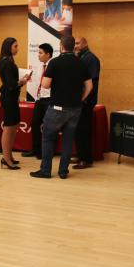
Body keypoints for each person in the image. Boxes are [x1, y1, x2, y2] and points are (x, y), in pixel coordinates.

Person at [30, 36, 92, 179]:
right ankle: (63, 171)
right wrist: (81, 99)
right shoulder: (81, 63)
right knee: (68, 140)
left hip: (57, 108)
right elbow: (89, 86)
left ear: (61, 46)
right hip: (76, 109)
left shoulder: (55, 63)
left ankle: (45, 170)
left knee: (47, 137)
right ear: (73, 47)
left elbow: (45, 84)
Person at [0, 37, 31, 170]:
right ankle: (6, 159)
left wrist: (21, 81)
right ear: (8, 47)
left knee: (14, 126)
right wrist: (22, 81)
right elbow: (11, 84)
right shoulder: (7, 62)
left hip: (11, 97)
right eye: (15, 46)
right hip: (9, 97)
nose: (18, 48)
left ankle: (8, 156)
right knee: (8, 128)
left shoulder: (7, 61)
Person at [72, 37, 101, 169]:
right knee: (78, 129)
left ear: (85, 43)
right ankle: (80, 155)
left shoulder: (91, 58)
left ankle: (86, 159)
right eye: (74, 44)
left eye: (78, 43)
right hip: (80, 100)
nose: (75, 46)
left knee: (83, 129)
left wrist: (83, 98)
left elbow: (91, 83)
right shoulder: (81, 57)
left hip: (86, 100)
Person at [22, 43, 53, 160]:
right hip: (39, 99)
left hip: (50, 99)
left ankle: (47, 152)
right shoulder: (41, 66)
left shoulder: (53, 65)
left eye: (40, 53)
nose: (38, 55)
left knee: (48, 127)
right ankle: (36, 150)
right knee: (35, 124)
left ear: (48, 54)